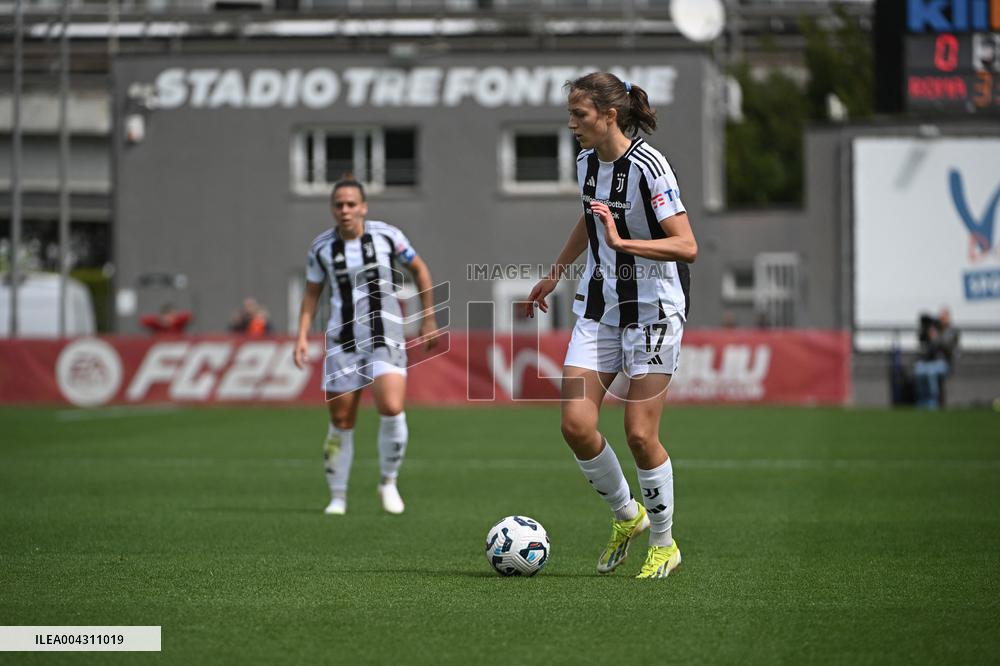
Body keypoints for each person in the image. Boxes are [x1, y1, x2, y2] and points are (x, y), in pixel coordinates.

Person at [526, 73, 697, 579]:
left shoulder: (650, 167)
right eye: (570, 116)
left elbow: (687, 245)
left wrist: (624, 244)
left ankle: (665, 544)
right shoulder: (584, 163)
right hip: (599, 308)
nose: (572, 125)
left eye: (579, 115)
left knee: (640, 435)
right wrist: (556, 272)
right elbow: (589, 217)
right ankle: (629, 516)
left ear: (609, 116)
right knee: (576, 425)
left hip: (654, 312)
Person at [293, 176, 439, 515]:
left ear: (363, 207)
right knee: (341, 420)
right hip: (343, 340)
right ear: (333, 209)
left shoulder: (388, 236)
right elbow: (312, 293)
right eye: (339, 205)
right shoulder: (321, 248)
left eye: (351, 204)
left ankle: (388, 481)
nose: (345, 210)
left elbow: (419, 269)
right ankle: (338, 496)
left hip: (384, 336)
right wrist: (301, 335)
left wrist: (428, 316)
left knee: (390, 406)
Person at [913, 307, 959, 409]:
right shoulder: (933, 329)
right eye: (940, 317)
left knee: (931, 372)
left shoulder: (952, 331)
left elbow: (948, 348)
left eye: (943, 317)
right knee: (919, 369)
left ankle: (933, 401)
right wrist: (927, 334)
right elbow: (924, 348)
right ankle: (921, 400)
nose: (941, 320)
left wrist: (936, 338)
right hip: (931, 362)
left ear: (948, 318)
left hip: (945, 363)